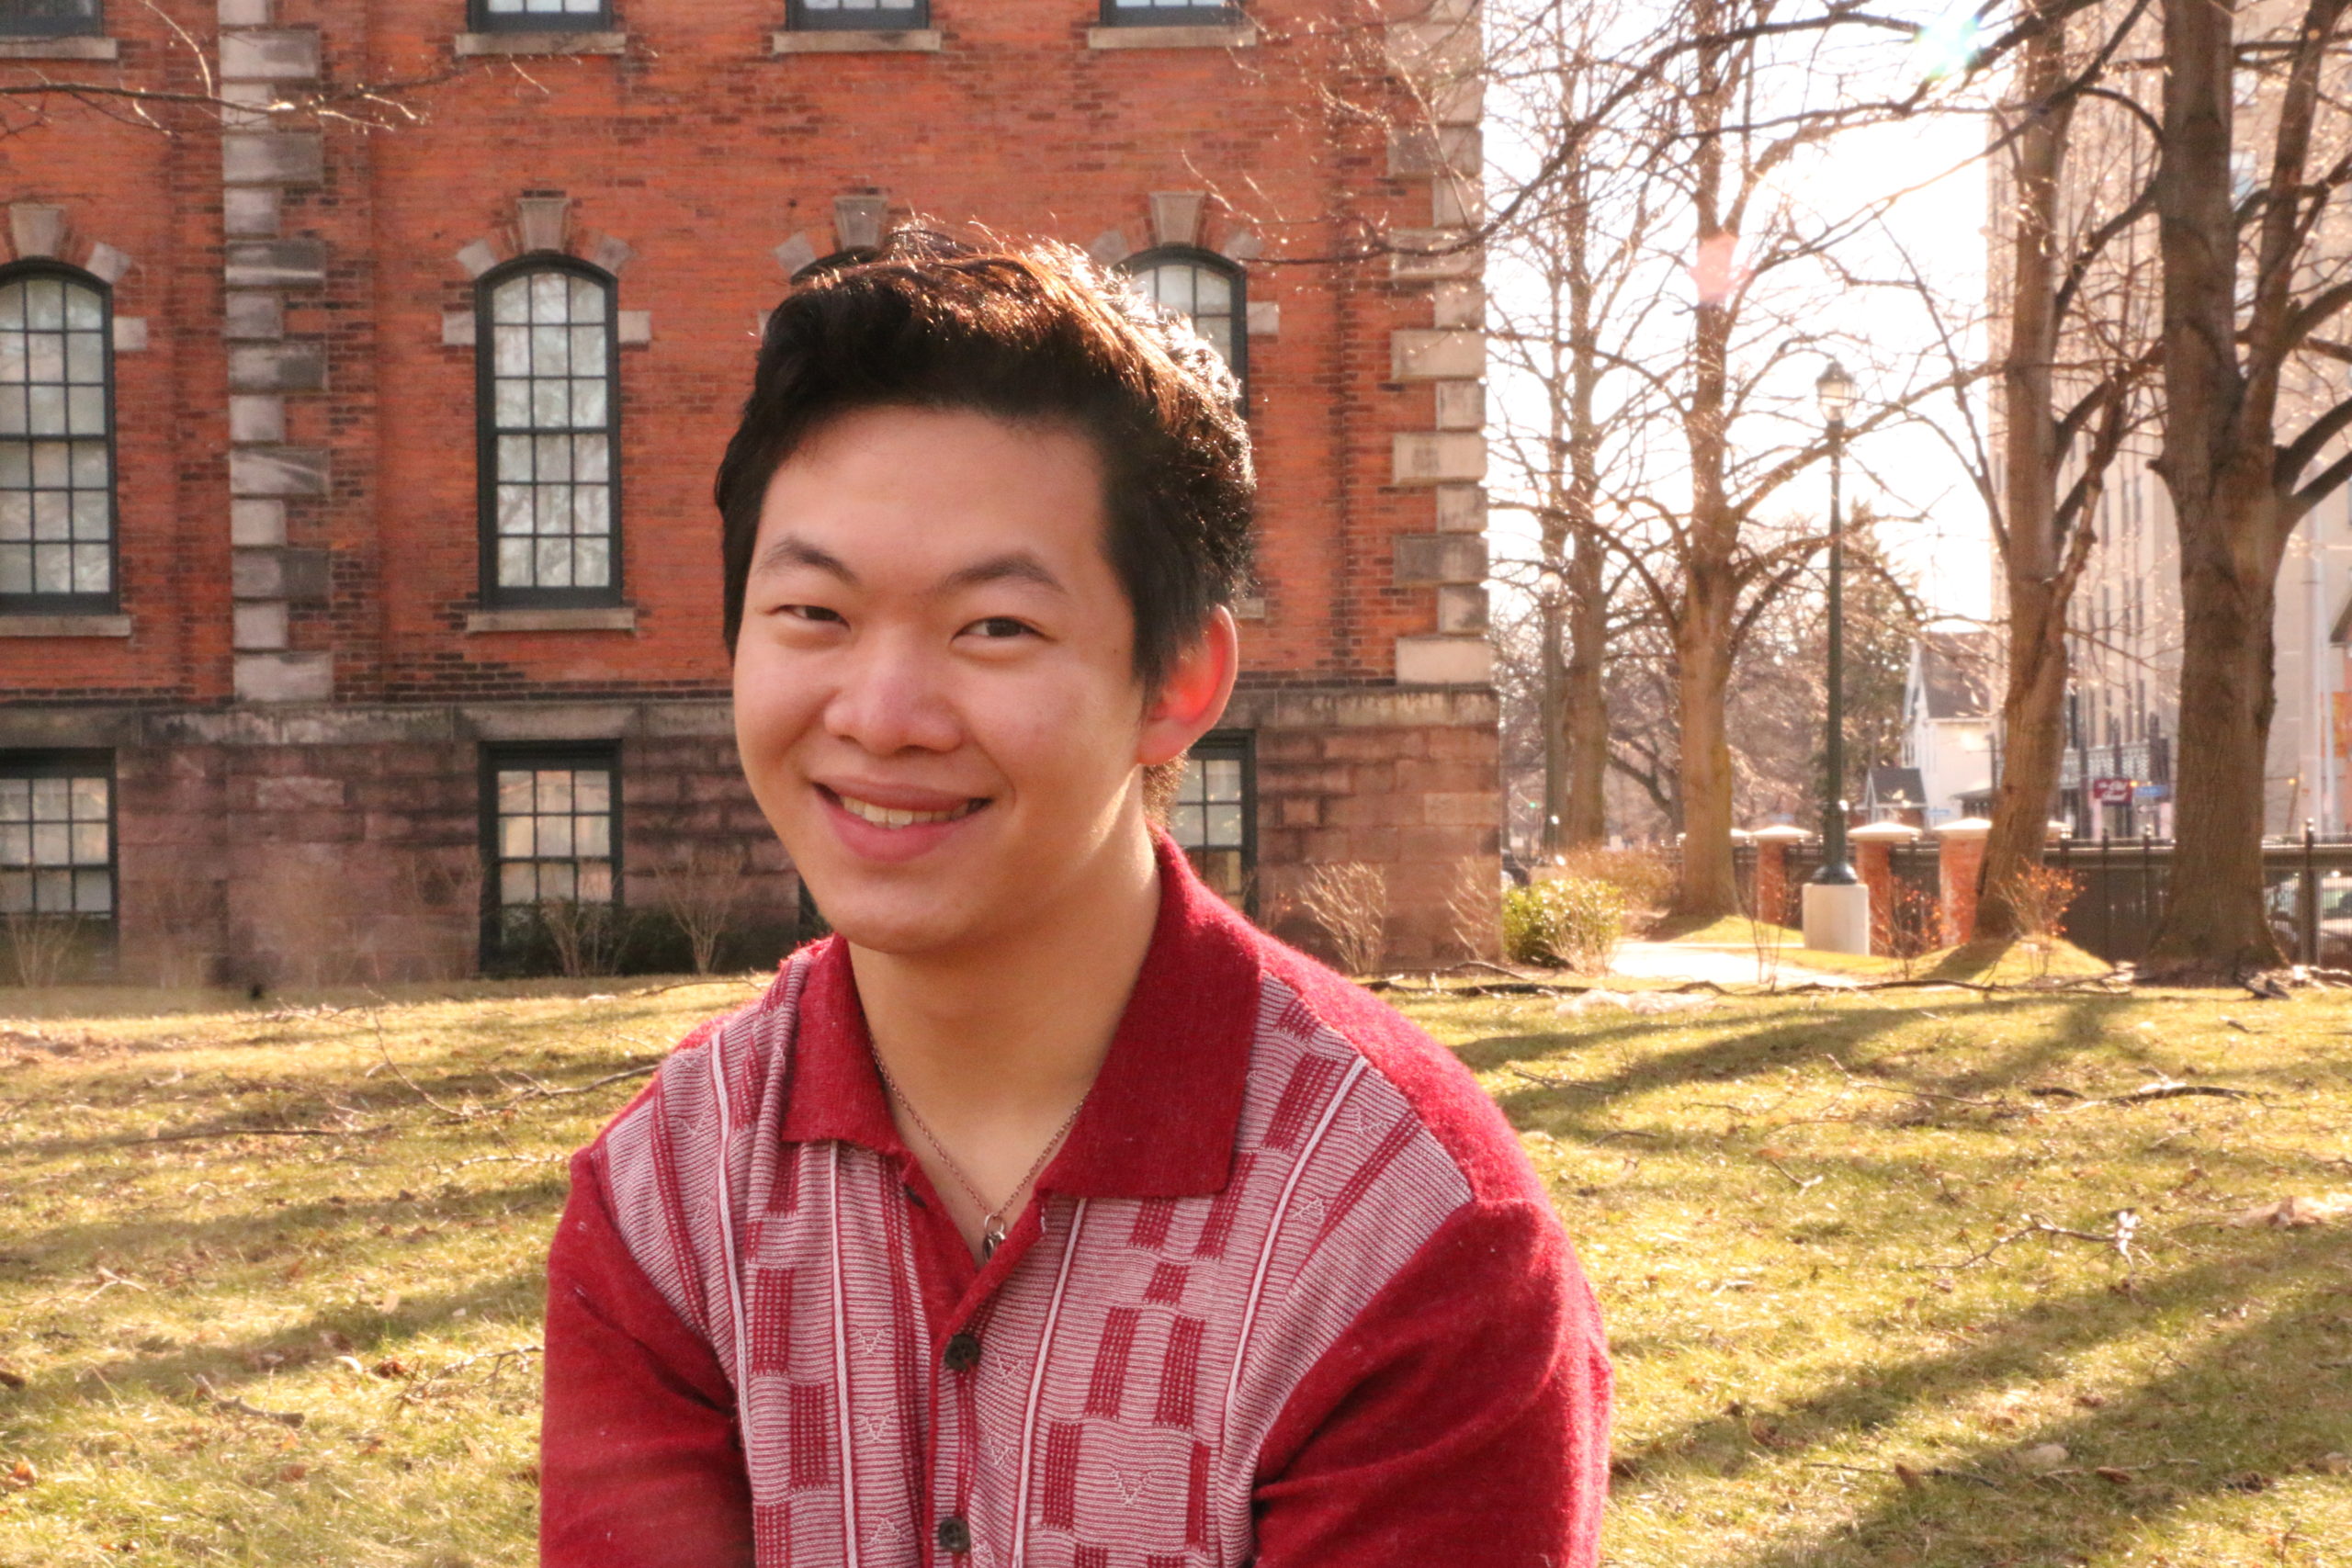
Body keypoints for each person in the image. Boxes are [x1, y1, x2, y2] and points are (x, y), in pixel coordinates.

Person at [538, 231, 1611, 1567]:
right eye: (814, 613)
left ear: (1178, 681)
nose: (882, 715)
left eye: (996, 627)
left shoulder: (1403, 1232)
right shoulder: (669, 1204)